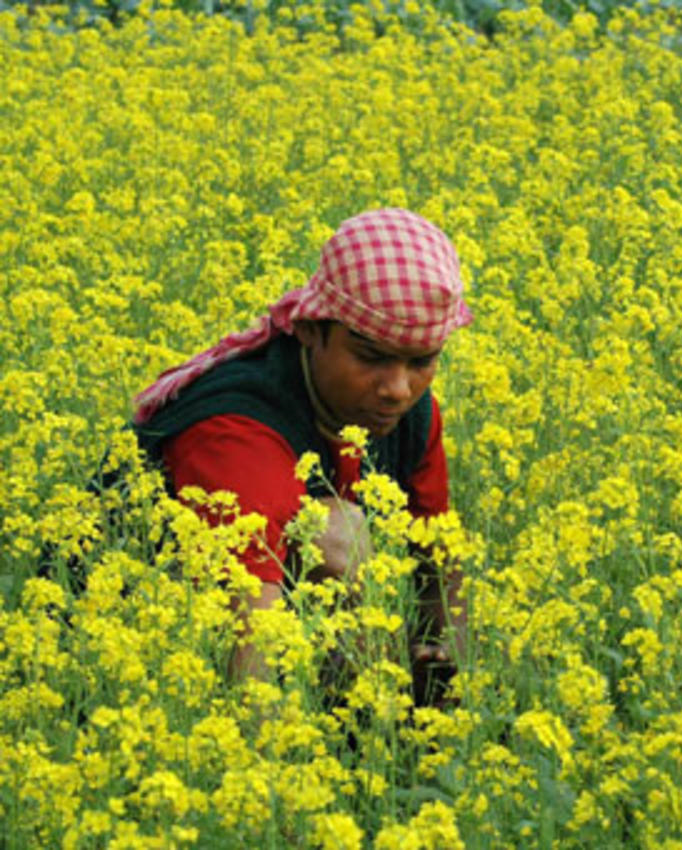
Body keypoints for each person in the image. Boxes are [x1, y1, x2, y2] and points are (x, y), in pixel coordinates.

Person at [128, 208, 472, 705]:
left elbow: (439, 550)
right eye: (370, 357)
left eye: (421, 362)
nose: (398, 389)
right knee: (336, 537)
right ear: (311, 329)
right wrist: (263, 768)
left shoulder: (409, 413)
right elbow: (251, 616)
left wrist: (456, 677)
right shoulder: (238, 428)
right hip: (148, 624)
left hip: (267, 616)